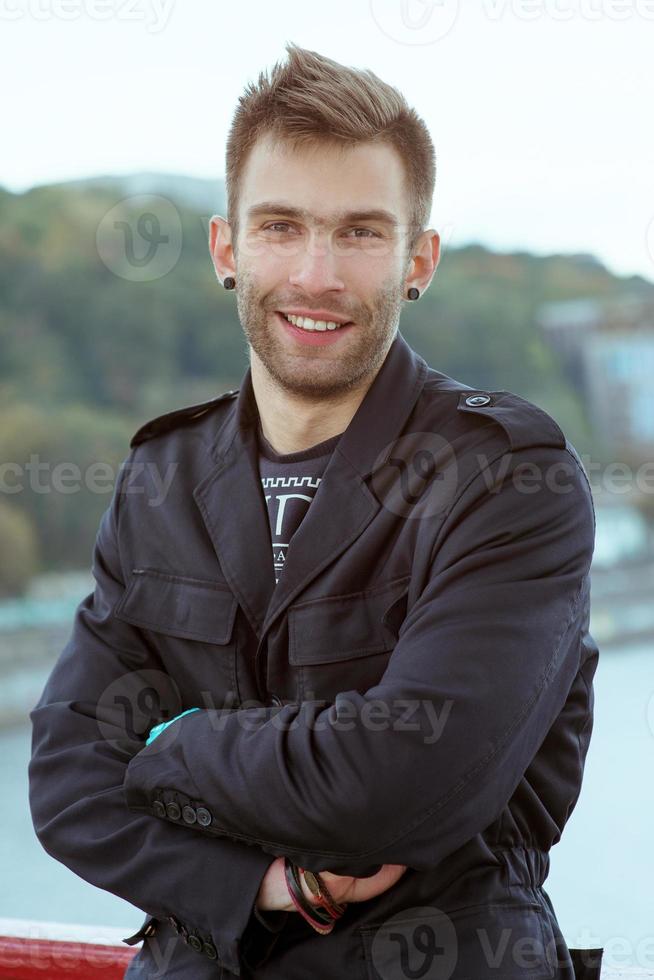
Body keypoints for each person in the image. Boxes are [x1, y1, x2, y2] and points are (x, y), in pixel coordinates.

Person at [28, 43, 603, 980]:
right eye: (282, 227)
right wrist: (271, 886)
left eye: (361, 233)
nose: (317, 275)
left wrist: (174, 746)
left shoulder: (504, 479)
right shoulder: (160, 477)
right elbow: (66, 784)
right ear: (228, 247)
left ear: (419, 260)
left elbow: (407, 783)